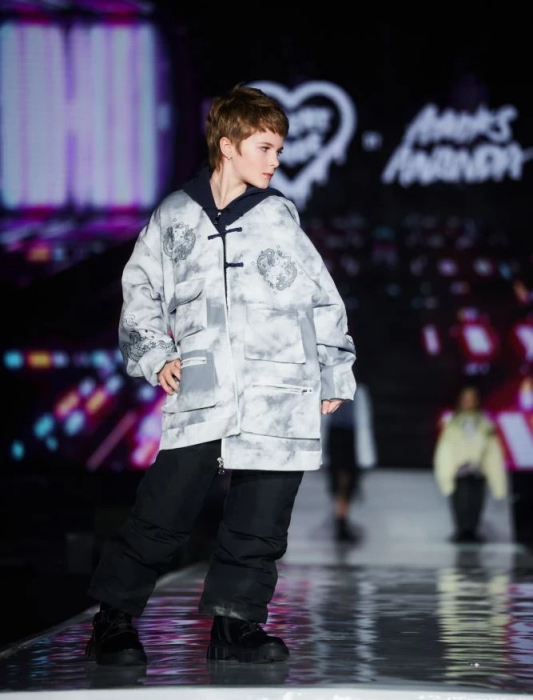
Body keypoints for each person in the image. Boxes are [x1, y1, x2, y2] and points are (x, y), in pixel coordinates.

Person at [85, 83, 357, 666]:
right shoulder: (174, 215)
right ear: (229, 145)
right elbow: (140, 291)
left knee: (261, 518)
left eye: (278, 149)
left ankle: (236, 625)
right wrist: (156, 354)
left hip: (277, 390)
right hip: (203, 389)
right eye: (265, 147)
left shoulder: (278, 216)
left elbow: (320, 296)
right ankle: (113, 619)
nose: (275, 160)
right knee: (163, 511)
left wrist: (335, 366)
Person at [433, 386, 507, 543]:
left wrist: (497, 481)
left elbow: (492, 451)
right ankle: (461, 530)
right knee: (460, 502)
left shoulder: (485, 423)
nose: (468, 402)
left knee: (476, 502)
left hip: (478, 469)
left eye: (472, 399)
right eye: (465, 399)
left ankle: (472, 530)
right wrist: (446, 472)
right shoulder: (452, 423)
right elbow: (446, 448)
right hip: (459, 470)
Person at [321, 382, 376, 542]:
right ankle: (341, 522)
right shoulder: (333, 388)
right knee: (342, 482)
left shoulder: (358, 392)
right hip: (338, 437)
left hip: (349, 438)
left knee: (346, 483)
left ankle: (342, 521)